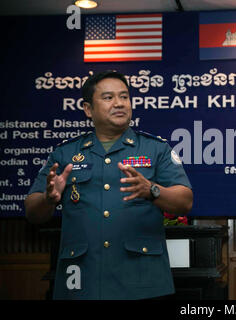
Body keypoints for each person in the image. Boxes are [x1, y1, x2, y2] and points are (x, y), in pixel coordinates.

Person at [25, 70, 193, 300]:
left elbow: (185, 201)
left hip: (141, 281)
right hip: (82, 282)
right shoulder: (65, 154)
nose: (119, 103)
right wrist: (48, 199)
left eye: (124, 97)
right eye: (108, 98)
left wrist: (152, 190)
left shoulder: (156, 149)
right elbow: (32, 212)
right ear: (88, 109)